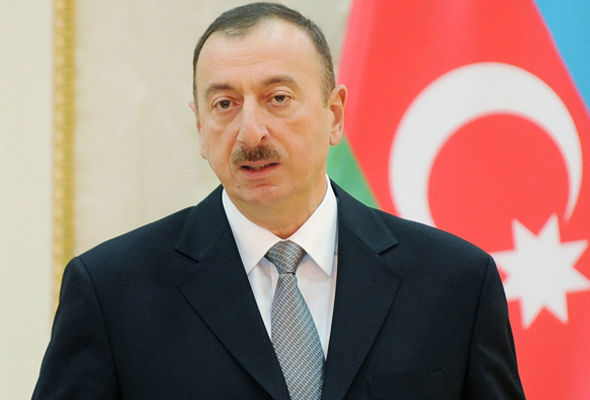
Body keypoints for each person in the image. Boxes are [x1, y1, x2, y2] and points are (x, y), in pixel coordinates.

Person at [33, 3, 526, 399]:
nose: (251, 132)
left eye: (278, 98)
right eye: (224, 104)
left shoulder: (454, 284)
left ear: (334, 115)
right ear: (200, 128)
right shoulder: (111, 293)